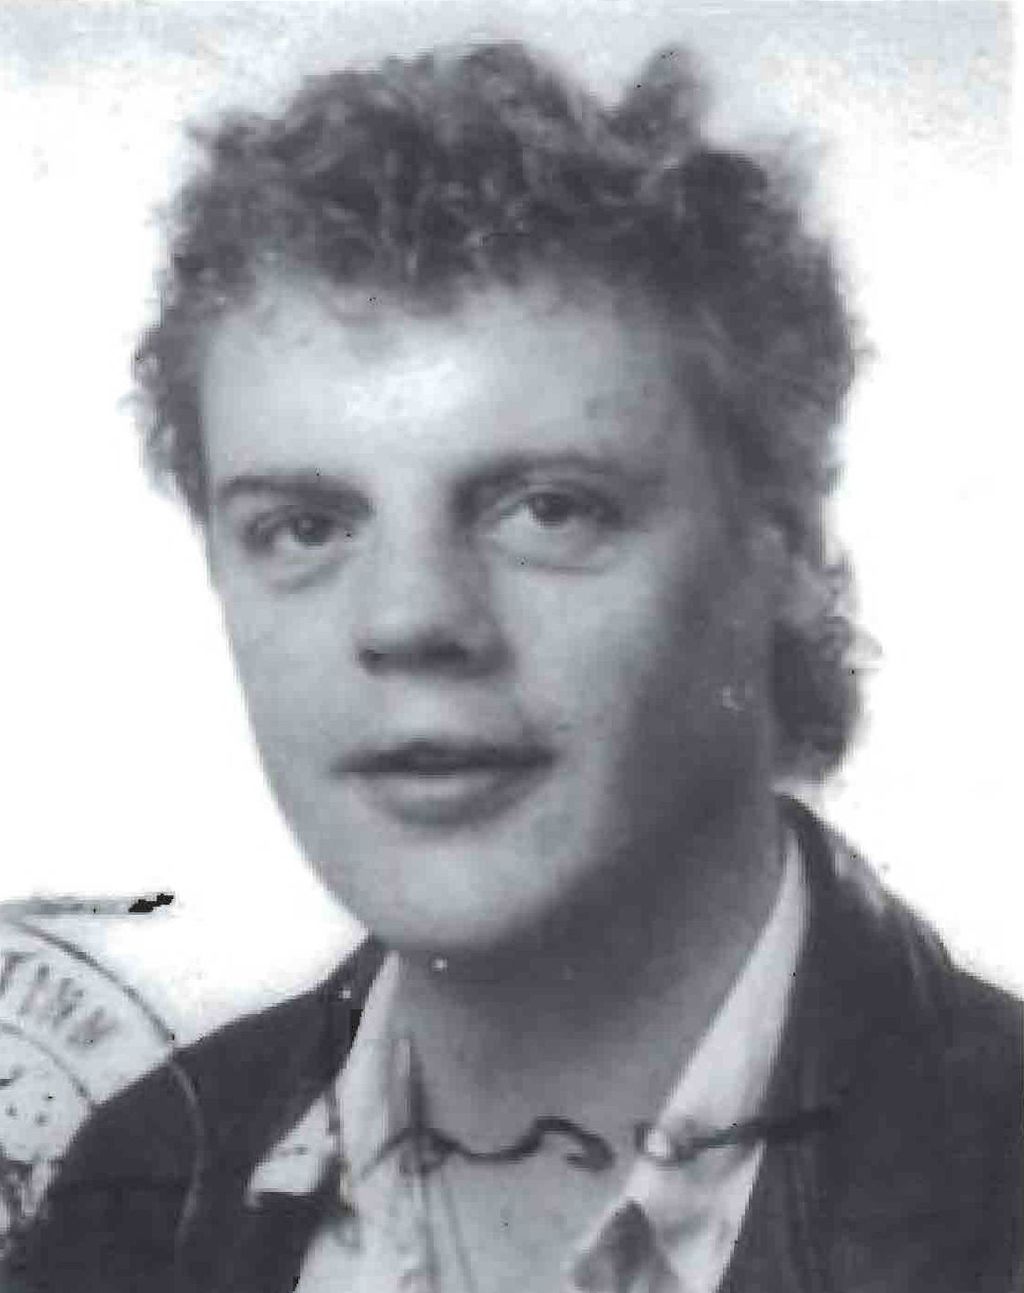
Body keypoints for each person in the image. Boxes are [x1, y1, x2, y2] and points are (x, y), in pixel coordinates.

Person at [6, 40, 1020, 1293]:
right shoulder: (129, 1201)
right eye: (305, 526)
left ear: (788, 552)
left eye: (548, 507)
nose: (411, 619)